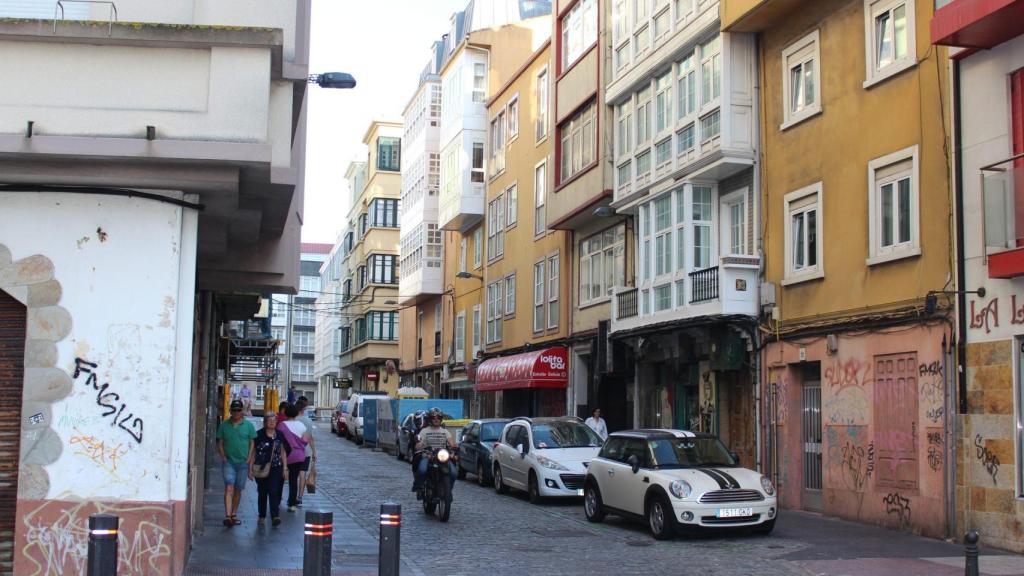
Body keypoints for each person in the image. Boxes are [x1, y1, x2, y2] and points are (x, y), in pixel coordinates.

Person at [216, 400, 256, 527]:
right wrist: (223, 456)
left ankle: (233, 513)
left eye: (239, 410)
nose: (236, 413)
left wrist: (249, 458)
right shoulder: (224, 425)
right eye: (234, 410)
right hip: (229, 462)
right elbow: (220, 442)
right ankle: (228, 516)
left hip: (243, 462)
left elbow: (252, 443)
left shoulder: (248, 426)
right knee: (229, 487)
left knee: (238, 489)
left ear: (242, 412)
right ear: (230, 411)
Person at [251, 413, 288, 526]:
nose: (272, 422)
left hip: (276, 466)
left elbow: (283, 452)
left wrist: (285, 468)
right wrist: (250, 468)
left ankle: (275, 515)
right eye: (270, 420)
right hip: (261, 467)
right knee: (262, 492)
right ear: (265, 422)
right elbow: (253, 452)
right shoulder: (259, 435)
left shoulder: (279, 435)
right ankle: (262, 516)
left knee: (273, 490)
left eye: (274, 420)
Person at [412, 408, 457, 498]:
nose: (436, 420)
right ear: (430, 419)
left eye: (438, 418)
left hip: (441, 456)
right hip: (428, 455)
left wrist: (455, 448)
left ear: (441, 419)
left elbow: (452, 444)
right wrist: (419, 444)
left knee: (453, 472)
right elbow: (418, 443)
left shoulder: (445, 431)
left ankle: (448, 490)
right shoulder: (425, 431)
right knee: (422, 470)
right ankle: (419, 488)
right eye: (433, 418)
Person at [278, 403, 311, 512]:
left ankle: (277, 500)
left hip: (285, 456)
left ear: (286, 413)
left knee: (281, 479)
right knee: (293, 480)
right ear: (296, 413)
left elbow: (279, 441)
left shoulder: (282, 426)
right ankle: (291, 504)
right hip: (298, 456)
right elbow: (306, 440)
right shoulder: (301, 426)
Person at [293, 396, 317, 507]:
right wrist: (314, 452)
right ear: (303, 409)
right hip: (305, 452)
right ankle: (300, 497)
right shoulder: (308, 421)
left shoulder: (292, 420)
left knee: (293, 475)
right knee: (302, 474)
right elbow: (310, 437)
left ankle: (292, 497)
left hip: (292, 452)